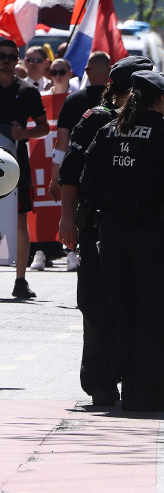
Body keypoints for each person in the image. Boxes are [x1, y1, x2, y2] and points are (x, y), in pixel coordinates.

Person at [57, 55, 153, 406]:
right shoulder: (98, 119)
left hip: (139, 228)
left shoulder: (152, 122)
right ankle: (100, 381)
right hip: (98, 223)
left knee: (136, 304)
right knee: (99, 305)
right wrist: (67, 219)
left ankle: (133, 379)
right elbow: (70, 173)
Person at [78, 70, 164, 410]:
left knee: (124, 309)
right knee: (153, 310)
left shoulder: (108, 130)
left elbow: (88, 182)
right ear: (159, 99)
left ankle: (126, 385)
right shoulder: (161, 131)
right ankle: (146, 389)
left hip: (112, 232)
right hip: (150, 231)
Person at [0, 38, 48, 300]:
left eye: (11, 57)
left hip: (17, 163)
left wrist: (24, 133)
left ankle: (20, 280)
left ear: (17, 60)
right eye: (2, 56)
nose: (6, 60)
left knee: (19, 219)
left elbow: (43, 127)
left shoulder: (28, 91)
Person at [54, 51, 110, 153]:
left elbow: (61, 142)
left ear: (87, 71)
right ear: (110, 71)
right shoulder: (118, 100)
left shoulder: (71, 100)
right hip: (109, 160)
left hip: (78, 160)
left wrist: (56, 164)